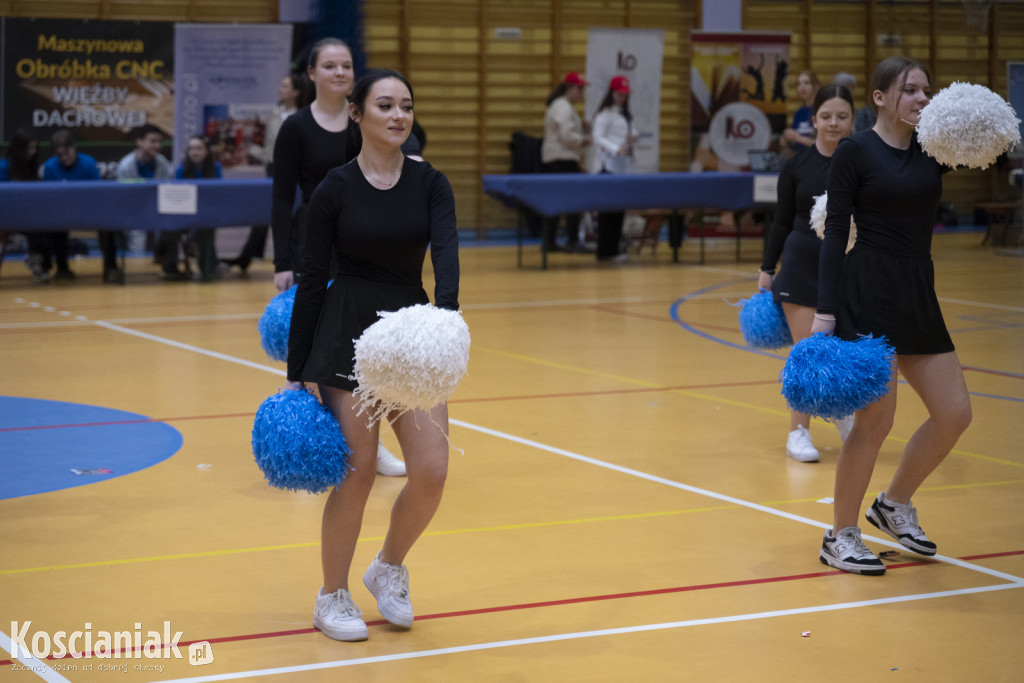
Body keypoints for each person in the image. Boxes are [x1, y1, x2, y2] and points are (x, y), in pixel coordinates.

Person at [283, 69, 459, 641]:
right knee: (357, 473)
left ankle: (388, 567)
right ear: (357, 114)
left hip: (411, 333)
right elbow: (312, 281)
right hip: (348, 336)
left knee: (431, 470)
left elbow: (446, 258)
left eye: (406, 105)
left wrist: (446, 320)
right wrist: (297, 372)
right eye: (385, 105)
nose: (398, 115)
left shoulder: (431, 183)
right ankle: (331, 595)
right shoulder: (334, 188)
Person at [812, 56, 972, 575]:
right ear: (880, 98)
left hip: (917, 290)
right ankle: (840, 535)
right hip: (867, 293)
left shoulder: (933, 150)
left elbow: (980, 141)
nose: (922, 98)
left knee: (954, 413)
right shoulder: (855, 151)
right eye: (910, 90)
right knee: (876, 421)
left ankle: (894, 503)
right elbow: (836, 232)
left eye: (927, 90)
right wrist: (825, 312)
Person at [270, 38, 406, 477]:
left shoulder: (361, 117)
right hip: (312, 245)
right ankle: (313, 447)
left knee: (362, 349)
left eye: (346, 65)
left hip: (355, 245)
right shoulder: (295, 127)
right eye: (330, 66)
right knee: (315, 352)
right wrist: (281, 261)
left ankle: (371, 443)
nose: (340, 73)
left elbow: (401, 146)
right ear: (311, 74)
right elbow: (280, 195)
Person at [759, 84, 856, 463]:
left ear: (852, 120)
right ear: (813, 119)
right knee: (808, 354)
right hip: (801, 267)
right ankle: (798, 432)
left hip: (848, 268)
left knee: (844, 351)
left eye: (842, 116)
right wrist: (767, 268)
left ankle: (843, 414)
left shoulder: (861, 161)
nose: (834, 123)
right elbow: (781, 221)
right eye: (826, 116)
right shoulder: (796, 165)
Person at [224, 73, 312, 274]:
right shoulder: (274, 112)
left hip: (298, 170)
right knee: (267, 210)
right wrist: (254, 151)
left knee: (294, 215)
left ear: (295, 92)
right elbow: (268, 144)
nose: (280, 88)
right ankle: (247, 256)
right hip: (273, 167)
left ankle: (293, 260)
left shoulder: (306, 114)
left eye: (284, 86)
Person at [116, 124, 177, 280]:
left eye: (159, 141)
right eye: (152, 141)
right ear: (140, 142)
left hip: (158, 213)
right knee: (137, 245)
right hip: (135, 214)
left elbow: (168, 193)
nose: (157, 145)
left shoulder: (163, 164)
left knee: (167, 233)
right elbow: (125, 198)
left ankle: (165, 271)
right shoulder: (126, 166)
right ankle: (136, 278)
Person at [540, 72, 591, 253]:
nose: (581, 92)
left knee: (556, 201)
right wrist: (585, 138)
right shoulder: (563, 107)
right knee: (573, 201)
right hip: (562, 160)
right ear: (569, 87)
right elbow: (566, 137)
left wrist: (580, 129)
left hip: (558, 159)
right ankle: (572, 240)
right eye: (579, 88)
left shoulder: (562, 106)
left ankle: (550, 241)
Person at [589, 75, 637, 262]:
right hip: (606, 167)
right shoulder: (604, 114)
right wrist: (616, 148)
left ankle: (614, 250)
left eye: (625, 94)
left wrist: (633, 138)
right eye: (619, 94)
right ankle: (605, 251)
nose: (622, 97)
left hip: (621, 169)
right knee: (607, 212)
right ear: (612, 93)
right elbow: (597, 137)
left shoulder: (626, 115)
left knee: (618, 210)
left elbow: (633, 132)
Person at [0, 127, 55, 284]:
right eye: (29, 148)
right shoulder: (3, 167)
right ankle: (37, 261)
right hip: (5, 215)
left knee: (45, 224)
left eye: (34, 148)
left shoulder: (32, 169)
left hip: (27, 217)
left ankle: (40, 263)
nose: (32, 152)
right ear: (19, 149)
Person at [175, 135, 223, 279]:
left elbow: (219, 193)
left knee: (205, 224)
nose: (194, 152)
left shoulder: (216, 168)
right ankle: (210, 264)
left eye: (198, 148)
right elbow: (177, 197)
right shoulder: (181, 170)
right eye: (191, 149)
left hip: (208, 212)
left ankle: (207, 264)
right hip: (185, 213)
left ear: (207, 151)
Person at [782, 70, 819, 151]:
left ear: (815, 86)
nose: (802, 87)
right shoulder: (799, 112)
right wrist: (787, 141)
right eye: (799, 84)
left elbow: (824, 146)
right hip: (800, 160)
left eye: (806, 83)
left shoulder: (821, 111)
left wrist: (797, 138)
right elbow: (796, 144)